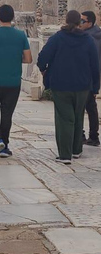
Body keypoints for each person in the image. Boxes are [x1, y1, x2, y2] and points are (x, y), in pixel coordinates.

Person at [38, 10, 100, 165]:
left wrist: (43, 70)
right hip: (83, 85)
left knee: (64, 118)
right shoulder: (87, 40)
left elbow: (43, 57)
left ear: (65, 21)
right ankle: (76, 150)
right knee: (78, 116)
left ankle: (65, 155)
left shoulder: (57, 38)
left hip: (61, 85)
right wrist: (95, 87)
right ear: (79, 22)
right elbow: (95, 65)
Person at [0, 4, 32, 158]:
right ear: (13, 18)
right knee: (7, 114)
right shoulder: (21, 35)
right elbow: (29, 58)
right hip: (14, 81)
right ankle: (5, 147)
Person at [81, 10, 101, 147]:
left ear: (90, 23)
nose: (80, 23)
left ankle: (85, 135)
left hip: (85, 77)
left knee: (83, 107)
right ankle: (93, 135)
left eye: (83, 21)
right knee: (91, 107)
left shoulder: (88, 38)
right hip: (92, 76)